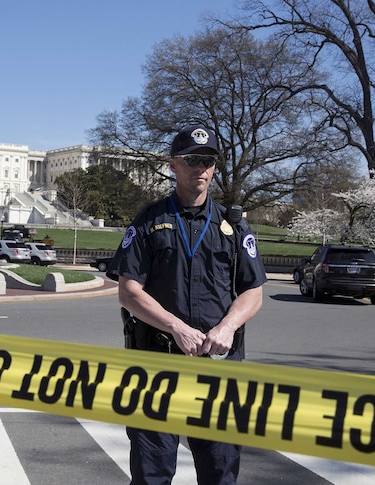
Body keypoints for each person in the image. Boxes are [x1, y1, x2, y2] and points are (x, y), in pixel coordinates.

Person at [107, 125, 266, 484]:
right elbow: (128, 290)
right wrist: (176, 327)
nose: (201, 168)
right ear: (173, 165)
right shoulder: (150, 221)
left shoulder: (233, 225)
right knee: (152, 474)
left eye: (208, 161)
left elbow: (252, 292)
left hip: (218, 370)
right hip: (157, 367)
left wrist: (227, 327)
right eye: (192, 160)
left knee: (220, 472)